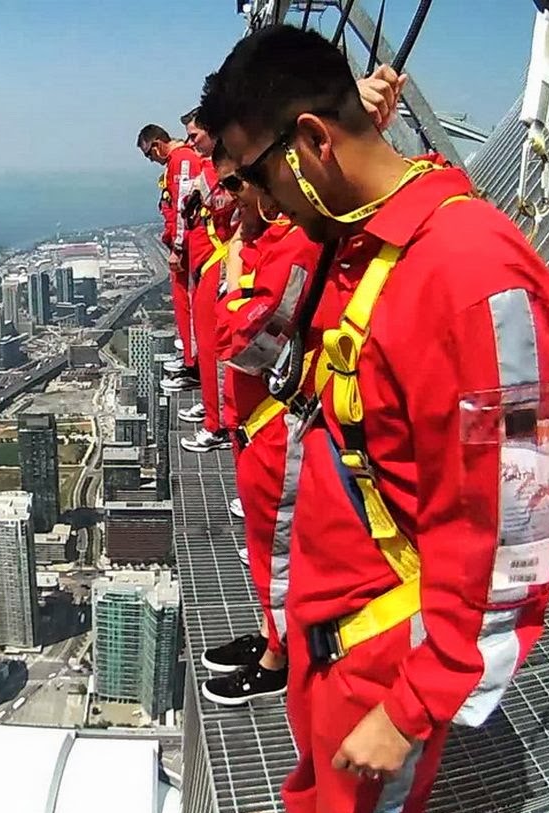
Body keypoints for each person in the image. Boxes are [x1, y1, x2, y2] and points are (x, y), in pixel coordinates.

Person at [202, 25, 549, 813]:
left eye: (256, 175)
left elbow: (514, 526)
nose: (256, 201)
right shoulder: (359, 244)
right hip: (332, 624)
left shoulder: (476, 279)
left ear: (312, 142)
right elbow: (275, 327)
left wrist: (413, 707)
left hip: (384, 644)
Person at [197, 69, 406, 706]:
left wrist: (236, 271)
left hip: (278, 422)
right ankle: (273, 635)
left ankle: (279, 654)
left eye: (243, 180)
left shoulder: (294, 242)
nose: (236, 195)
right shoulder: (275, 236)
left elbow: (247, 342)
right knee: (267, 547)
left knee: (281, 548)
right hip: (260, 422)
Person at [176, 108, 236, 453]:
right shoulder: (210, 168)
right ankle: (216, 414)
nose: (190, 143)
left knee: (215, 346)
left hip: (219, 263)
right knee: (208, 344)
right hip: (209, 262)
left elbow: (224, 207)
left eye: (195, 135)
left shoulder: (224, 169)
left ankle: (220, 423)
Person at [137, 124, 204, 390]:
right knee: (183, 304)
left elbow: (181, 209)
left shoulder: (181, 160)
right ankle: (190, 357)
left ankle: (194, 363)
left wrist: (177, 247)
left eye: (148, 154)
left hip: (189, 249)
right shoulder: (178, 161)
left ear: (156, 145)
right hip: (187, 246)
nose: (151, 160)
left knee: (189, 304)